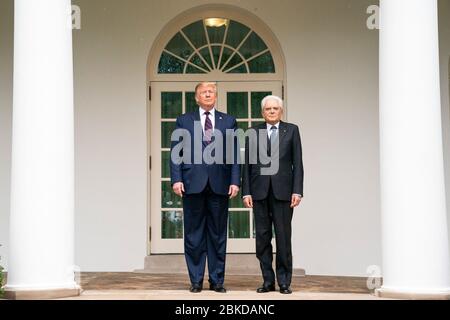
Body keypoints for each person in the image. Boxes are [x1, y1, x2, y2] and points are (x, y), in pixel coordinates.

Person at [170, 82, 240, 293]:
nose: (208, 94)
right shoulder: (184, 120)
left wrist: (235, 180)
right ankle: (196, 280)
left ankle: (217, 280)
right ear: (196, 97)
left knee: (218, 235)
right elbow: (176, 153)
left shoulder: (228, 121)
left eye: (211, 92)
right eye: (204, 92)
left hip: (220, 184)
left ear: (216, 96)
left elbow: (235, 154)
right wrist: (176, 179)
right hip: (192, 183)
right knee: (194, 235)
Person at [242, 95, 304, 294]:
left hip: (284, 193)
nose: (271, 111)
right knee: (262, 238)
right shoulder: (253, 132)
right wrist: (246, 192)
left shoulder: (292, 130)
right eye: (268, 109)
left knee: (284, 238)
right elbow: (247, 165)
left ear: (281, 111)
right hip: (259, 192)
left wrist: (297, 190)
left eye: (275, 108)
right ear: (262, 112)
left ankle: (284, 281)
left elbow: (298, 164)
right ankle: (268, 281)